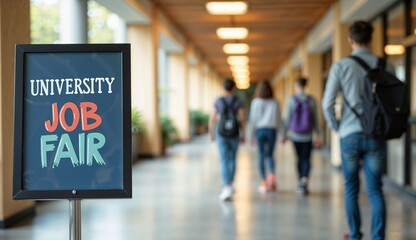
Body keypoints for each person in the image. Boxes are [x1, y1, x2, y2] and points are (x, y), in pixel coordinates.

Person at [322, 21, 394, 240]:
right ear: (370, 39)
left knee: (351, 189)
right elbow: (393, 100)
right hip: (376, 134)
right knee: (375, 190)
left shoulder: (341, 66)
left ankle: (354, 235)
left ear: (350, 40)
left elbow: (328, 103)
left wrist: (337, 127)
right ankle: (378, 237)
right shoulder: (384, 65)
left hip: (349, 134)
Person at [282, 77, 321, 195]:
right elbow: (316, 119)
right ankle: (304, 180)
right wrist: (318, 134)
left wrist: (284, 133)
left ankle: (300, 181)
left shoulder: (291, 100)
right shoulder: (312, 100)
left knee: (299, 158)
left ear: (296, 86)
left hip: (295, 135)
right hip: (308, 135)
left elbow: (287, 118)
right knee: (306, 158)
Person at [209, 78, 246, 201]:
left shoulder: (218, 101)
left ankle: (226, 186)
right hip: (234, 133)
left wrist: (211, 133)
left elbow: (212, 119)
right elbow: (242, 119)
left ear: (223, 88)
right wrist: (244, 134)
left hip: (221, 134)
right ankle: (230, 182)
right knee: (232, 158)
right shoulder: (238, 101)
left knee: (224, 159)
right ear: (234, 88)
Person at [248, 80, 280, 193]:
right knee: (270, 154)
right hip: (272, 130)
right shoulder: (275, 102)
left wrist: (250, 135)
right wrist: (280, 133)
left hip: (260, 130)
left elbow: (252, 119)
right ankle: (271, 175)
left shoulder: (256, 102)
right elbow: (278, 119)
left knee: (261, 155)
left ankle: (263, 181)